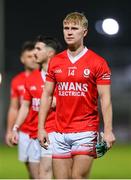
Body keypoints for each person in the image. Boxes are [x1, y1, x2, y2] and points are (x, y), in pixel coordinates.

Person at [38, 12, 116, 179]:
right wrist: (41, 127)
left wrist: (108, 131)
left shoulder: (98, 62)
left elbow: (105, 99)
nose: (69, 32)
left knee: (77, 177)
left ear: (85, 32)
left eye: (74, 28)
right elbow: (46, 95)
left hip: (85, 130)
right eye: (66, 28)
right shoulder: (56, 61)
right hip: (59, 132)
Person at [11, 36, 61, 179]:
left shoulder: (61, 76)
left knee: (47, 172)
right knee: (35, 176)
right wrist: (15, 127)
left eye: (38, 49)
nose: (34, 53)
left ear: (50, 53)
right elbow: (25, 106)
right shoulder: (31, 78)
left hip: (52, 132)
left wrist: (60, 101)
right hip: (33, 134)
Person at [5, 41, 39, 178]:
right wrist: (9, 130)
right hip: (25, 131)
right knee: (31, 171)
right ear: (22, 59)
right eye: (29, 56)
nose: (32, 59)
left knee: (44, 170)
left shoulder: (46, 77)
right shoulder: (17, 81)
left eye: (34, 56)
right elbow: (14, 108)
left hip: (44, 130)